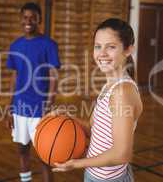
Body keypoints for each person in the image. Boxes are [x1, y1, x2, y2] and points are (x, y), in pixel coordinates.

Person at [53, 18, 143, 182]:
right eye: (98, 46)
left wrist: (76, 164)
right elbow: (91, 129)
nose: (102, 53)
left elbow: (122, 154)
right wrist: (66, 117)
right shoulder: (109, 86)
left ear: (128, 50)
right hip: (95, 175)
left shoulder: (122, 92)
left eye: (111, 47)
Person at [5, 2, 61, 182]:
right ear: (21, 20)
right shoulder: (15, 46)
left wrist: (48, 105)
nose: (28, 21)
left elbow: (53, 76)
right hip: (20, 107)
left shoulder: (49, 44)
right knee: (22, 150)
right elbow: (14, 76)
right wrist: (9, 106)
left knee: (44, 157)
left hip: (40, 108)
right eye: (25, 17)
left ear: (39, 20)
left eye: (33, 17)